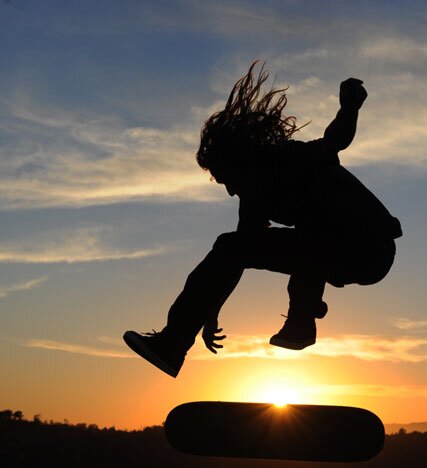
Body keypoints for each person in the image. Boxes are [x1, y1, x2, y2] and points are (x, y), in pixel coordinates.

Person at [124, 61, 402, 378]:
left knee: (313, 225)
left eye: (227, 179)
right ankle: (173, 345)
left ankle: (301, 318)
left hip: (369, 248)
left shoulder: (290, 160)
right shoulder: (253, 200)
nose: (229, 191)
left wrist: (349, 106)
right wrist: (208, 310)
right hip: (333, 250)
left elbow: (334, 141)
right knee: (231, 245)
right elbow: (234, 258)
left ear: (243, 164)